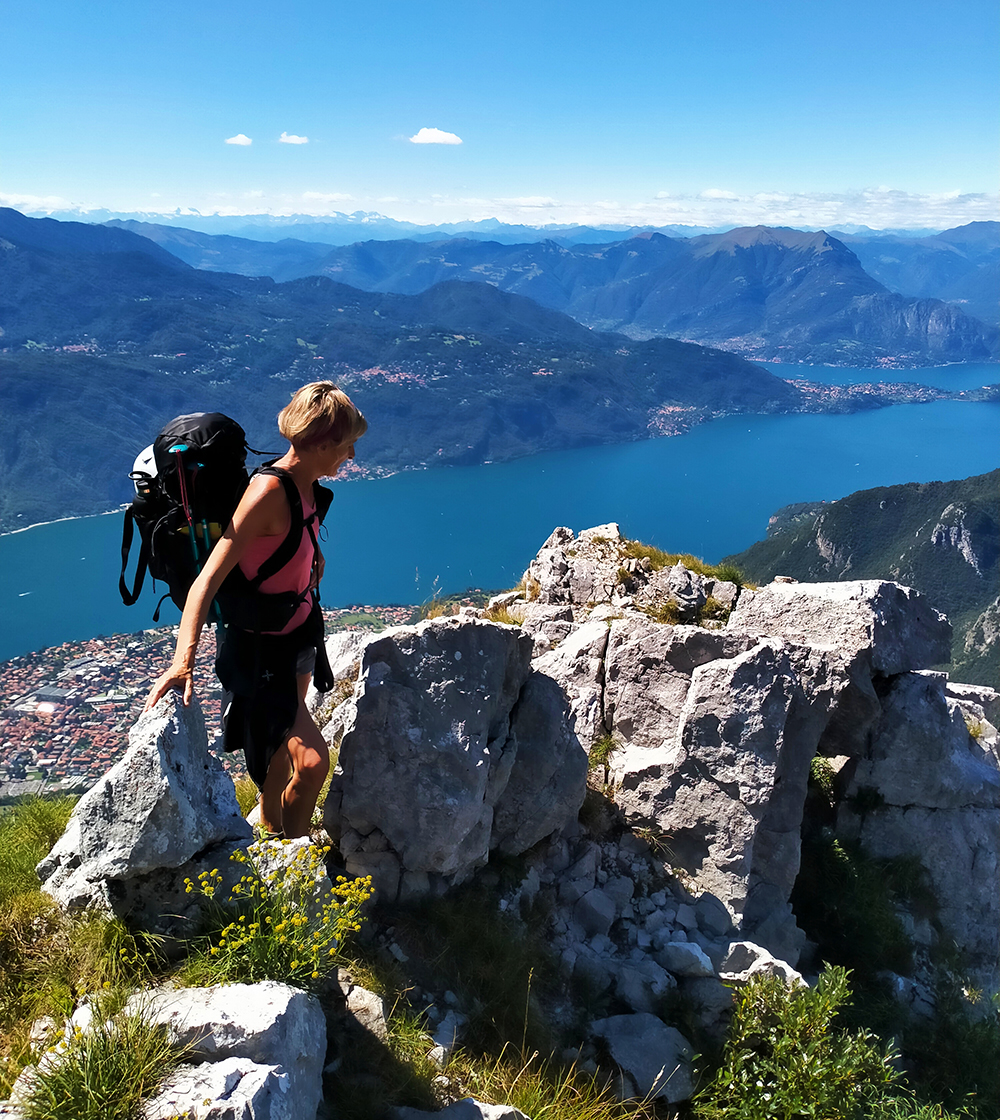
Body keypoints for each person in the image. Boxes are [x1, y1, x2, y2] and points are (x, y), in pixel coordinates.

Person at [145, 382, 367, 839]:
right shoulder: (268, 492)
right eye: (347, 445)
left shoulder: (308, 487)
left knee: (281, 749)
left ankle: (269, 824)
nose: (351, 455)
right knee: (312, 763)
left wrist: (312, 561)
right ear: (321, 443)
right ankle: (294, 853)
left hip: (299, 634)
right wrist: (183, 661)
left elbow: (290, 548)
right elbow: (208, 579)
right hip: (263, 651)